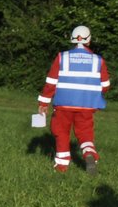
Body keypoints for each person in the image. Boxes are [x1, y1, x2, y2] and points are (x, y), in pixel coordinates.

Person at [37, 24, 110, 174]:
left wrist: (43, 103)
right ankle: (89, 153)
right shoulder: (98, 60)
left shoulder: (62, 57)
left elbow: (51, 82)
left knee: (61, 131)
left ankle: (62, 166)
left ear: (72, 40)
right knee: (85, 133)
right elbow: (105, 85)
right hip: (87, 106)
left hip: (63, 105)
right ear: (89, 41)